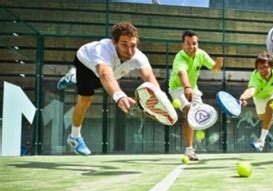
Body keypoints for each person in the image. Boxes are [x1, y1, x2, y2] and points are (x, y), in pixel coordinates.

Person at [65, 22, 164, 155]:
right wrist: (119, 96)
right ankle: (74, 137)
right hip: (86, 64)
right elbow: (105, 73)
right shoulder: (102, 50)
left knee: (105, 81)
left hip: (110, 72)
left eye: (133, 45)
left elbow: (150, 78)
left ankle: (72, 78)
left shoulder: (139, 57)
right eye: (124, 44)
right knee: (86, 100)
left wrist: (160, 100)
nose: (129, 51)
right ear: (114, 42)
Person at [169, 30, 224, 161]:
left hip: (194, 90)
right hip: (177, 88)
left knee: (197, 116)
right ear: (183, 45)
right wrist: (187, 87)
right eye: (188, 43)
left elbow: (215, 69)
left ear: (197, 44)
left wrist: (218, 63)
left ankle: (194, 143)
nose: (191, 46)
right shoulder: (179, 57)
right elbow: (182, 73)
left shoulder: (201, 54)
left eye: (194, 43)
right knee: (189, 111)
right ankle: (189, 149)